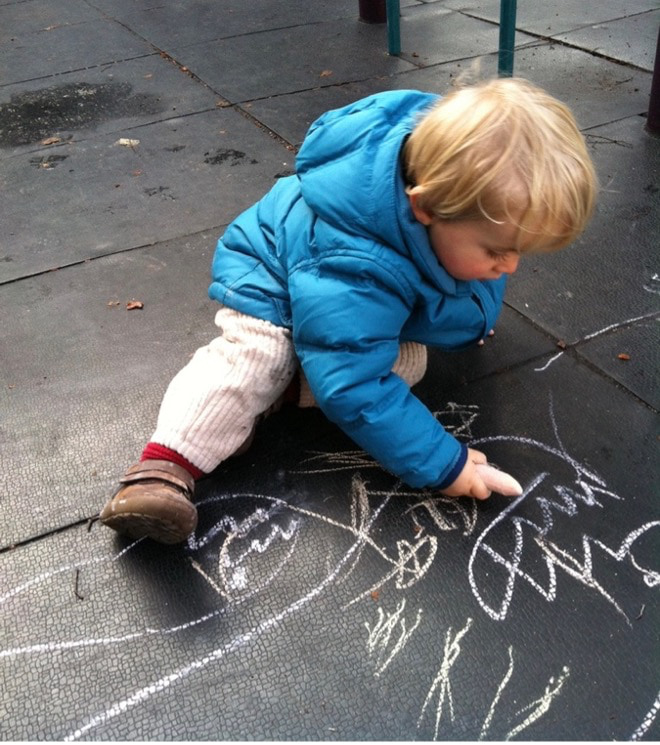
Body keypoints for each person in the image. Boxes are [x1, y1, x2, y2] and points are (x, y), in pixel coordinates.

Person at [99, 77, 597, 544]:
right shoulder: (357, 261)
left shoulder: (452, 189)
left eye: (521, 252)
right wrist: (445, 465)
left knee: (410, 364)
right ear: (424, 208)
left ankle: (280, 390)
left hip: (342, 298)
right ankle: (162, 469)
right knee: (258, 358)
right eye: (496, 251)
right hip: (274, 284)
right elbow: (355, 386)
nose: (509, 264)